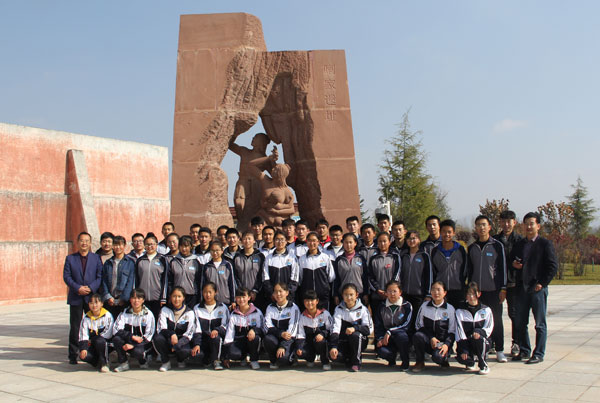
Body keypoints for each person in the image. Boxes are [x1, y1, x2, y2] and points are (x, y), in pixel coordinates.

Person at [511, 212, 558, 364]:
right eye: (526, 224)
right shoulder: (519, 244)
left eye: (532, 223)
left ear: (538, 226)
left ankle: (538, 353)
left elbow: (552, 266)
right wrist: (514, 264)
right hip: (522, 288)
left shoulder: (545, 244)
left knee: (540, 324)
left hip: (537, 289)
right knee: (520, 322)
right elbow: (512, 260)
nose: (529, 227)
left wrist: (542, 283)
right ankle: (524, 350)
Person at [467, 215, 507, 362]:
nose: (481, 227)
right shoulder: (472, 248)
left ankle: (500, 350)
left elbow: (503, 268)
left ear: (489, 227)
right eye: (478, 225)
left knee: (496, 320)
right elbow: (470, 270)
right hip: (477, 293)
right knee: (478, 321)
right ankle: (482, 348)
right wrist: (470, 290)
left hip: (493, 290)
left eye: (484, 224)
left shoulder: (497, 245)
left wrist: (503, 288)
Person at [63, 231, 103, 364]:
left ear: (90, 243)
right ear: (77, 242)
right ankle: (73, 354)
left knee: (93, 325)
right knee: (75, 326)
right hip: (76, 296)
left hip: (91, 298)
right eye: (82, 240)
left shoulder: (96, 258)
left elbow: (100, 276)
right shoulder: (70, 258)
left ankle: (92, 352)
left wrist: (90, 288)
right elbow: (67, 277)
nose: (84, 243)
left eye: (87, 241)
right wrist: (78, 288)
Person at [493, 210, 524, 358]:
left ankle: (516, 342)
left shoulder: (520, 241)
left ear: (514, 222)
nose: (506, 224)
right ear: (500, 222)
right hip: (497, 283)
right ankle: (493, 342)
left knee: (514, 314)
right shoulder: (494, 240)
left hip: (514, 283)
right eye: (503, 221)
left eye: (509, 221)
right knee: (494, 314)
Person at [412, 281, 456, 372]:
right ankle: (420, 362)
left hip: (442, 343)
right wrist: (431, 337)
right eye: (433, 290)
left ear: (445, 292)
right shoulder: (424, 306)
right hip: (429, 340)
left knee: (438, 358)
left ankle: (444, 359)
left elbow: (453, 330)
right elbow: (418, 325)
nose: (436, 293)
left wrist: (447, 344)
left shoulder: (450, 309)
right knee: (417, 336)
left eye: (439, 290)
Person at [329, 283, 373, 372]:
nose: (349, 298)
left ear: (357, 295)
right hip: (344, 341)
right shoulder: (338, 309)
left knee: (355, 335)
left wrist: (355, 328)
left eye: (351, 294)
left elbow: (368, 329)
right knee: (334, 356)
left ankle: (356, 362)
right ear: (342, 296)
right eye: (346, 295)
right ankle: (348, 359)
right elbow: (335, 329)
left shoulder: (363, 309)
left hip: (359, 340)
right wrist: (334, 346)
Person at [112, 288, 156, 372]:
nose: (136, 301)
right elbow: (116, 330)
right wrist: (131, 337)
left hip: (142, 344)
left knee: (138, 352)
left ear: (143, 300)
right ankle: (123, 363)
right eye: (134, 298)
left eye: (139, 298)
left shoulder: (148, 314)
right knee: (116, 339)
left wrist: (133, 345)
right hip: (129, 340)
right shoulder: (124, 313)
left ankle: (143, 361)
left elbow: (149, 336)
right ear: (130, 299)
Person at [153, 287, 196, 372]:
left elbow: (189, 334)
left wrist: (178, 344)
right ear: (170, 297)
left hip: (182, 341)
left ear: (183, 298)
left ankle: (181, 360)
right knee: (158, 338)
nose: (176, 299)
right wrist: (172, 334)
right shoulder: (165, 310)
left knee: (185, 351)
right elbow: (161, 329)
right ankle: (166, 362)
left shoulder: (190, 313)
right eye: (174, 296)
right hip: (168, 339)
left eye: (179, 296)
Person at [455, 282, 494, 375]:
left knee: (478, 338)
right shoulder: (460, 311)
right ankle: (471, 361)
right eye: (469, 294)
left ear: (479, 294)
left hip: (481, 340)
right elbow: (459, 331)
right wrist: (464, 349)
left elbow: (489, 328)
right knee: (462, 357)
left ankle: (483, 364)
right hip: (467, 341)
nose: (471, 297)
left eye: (473, 294)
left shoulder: (486, 310)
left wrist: (478, 332)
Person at [223, 287, 265, 370]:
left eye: (243, 297)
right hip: (239, 342)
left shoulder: (257, 312)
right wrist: (226, 356)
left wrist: (254, 330)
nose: (241, 299)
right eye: (239, 297)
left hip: (252, 341)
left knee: (256, 338)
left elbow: (262, 329)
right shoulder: (233, 314)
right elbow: (230, 333)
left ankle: (254, 360)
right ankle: (242, 357)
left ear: (249, 298)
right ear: (236, 299)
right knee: (233, 354)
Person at [374, 281, 412, 370]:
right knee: (382, 351)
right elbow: (378, 325)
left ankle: (405, 361)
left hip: (401, 335)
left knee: (402, 336)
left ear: (400, 292)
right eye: (389, 291)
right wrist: (380, 338)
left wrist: (390, 331)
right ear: (386, 293)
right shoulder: (382, 306)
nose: (392, 294)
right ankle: (391, 358)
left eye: (395, 291)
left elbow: (406, 325)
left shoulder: (406, 306)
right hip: (387, 338)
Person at [191, 282, 230, 370]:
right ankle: (207, 359)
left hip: (216, 339)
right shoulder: (197, 308)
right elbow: (196, 328)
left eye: (210, 292)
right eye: (205, 292)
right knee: (197, 356)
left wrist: (217, 330)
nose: (208, 295)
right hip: (203, 340)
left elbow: (226, 325)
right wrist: (197, 344)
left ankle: (217, 360)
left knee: (216, 338)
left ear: (215, 292)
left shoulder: (223, 307)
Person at [399, 231, 432, 333]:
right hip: (405, 293)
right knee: (406, 318)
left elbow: (429, 275)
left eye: (414, 238)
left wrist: (428, 294)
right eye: (409, 238)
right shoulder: (404, 255)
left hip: (419, 294)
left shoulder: (424, 255)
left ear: (419, 240)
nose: (411, 241)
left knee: (416, 319)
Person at [430, 220, 468, 309]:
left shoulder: (460, 250)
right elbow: (433, 271)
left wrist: (462, 283)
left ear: (453, 233)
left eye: (449, 232)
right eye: (444, 231)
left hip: (458, 290)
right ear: (440, 232)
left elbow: (465, 269)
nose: (446, 234)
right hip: (441, 292)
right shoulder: (435, 251)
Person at [264, 282, 301, 369]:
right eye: (275, 292)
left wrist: (283, 346)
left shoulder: (293, 308)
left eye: (280, 291)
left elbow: (292, 330)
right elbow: (267, 326)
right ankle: (273, 361)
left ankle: (292, 357)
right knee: (268, 339)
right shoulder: (270, 307)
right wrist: (280, 333)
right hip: (275, 337)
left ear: (287, 293)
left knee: (284, 360)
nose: (278, 294)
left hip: (288, 339)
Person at [294, 290, 334, 370]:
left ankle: (325, 361)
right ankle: (310, 359)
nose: (309, 303)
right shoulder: (302, 317)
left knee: (321, 342)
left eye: (312, 300)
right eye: (307, 301)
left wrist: (322, 334)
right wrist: (299, 347)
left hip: (322, 342)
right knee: (301, 351)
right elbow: (300, 334)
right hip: (309, 343)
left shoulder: (325, 314)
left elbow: (331, 328)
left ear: (317, 301)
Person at [135, 233, 168, 322]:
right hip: (143, 298)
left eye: (152, 244)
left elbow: (165, 279)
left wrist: (163, 297)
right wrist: (137, 296)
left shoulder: (162, 259)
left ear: (156, 245)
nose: (149, 247)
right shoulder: (140, 260)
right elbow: (136, 280)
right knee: (144, 320)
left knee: (157, 319)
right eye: (147, 244)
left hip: (157, 298)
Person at [298, 232, 335, 310]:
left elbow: (331, 277)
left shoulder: (325, 257)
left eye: (314, 240)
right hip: (308, 297)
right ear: (306, 242)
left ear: (318, 242)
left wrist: (325, 288)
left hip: (322, 296)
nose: (312, 243)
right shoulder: (302, 259)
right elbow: (300, 278)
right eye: (309, 240)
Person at [78, 293, 114, 372]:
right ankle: (97, 362)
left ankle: (105, 363)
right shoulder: (86, 318)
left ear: (101, 304)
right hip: (93, 344)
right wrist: (83, 348)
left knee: (99, 341)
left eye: (96, 302)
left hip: (106, 343)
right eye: (91, 303)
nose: (94, 305)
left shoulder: (107, 316)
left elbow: (108, 333)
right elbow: (83, 335)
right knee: (83, 355)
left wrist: (93, 340)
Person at [367, 232, 401, 316]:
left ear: (389, 242)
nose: (382, 244)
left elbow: (397, 273)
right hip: (377, 295)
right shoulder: (373, 259)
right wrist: (378, 289)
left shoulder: (395, 256)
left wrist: (389, 290)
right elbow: (370, 277)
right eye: (380, 241)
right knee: (377, 318)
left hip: (392, 295)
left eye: (384, 241)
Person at [101, 235, 135, 318]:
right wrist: (108, 297)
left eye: (120, 245)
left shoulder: (130, 263)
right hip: (110, 301)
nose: (118, 247)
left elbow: (130, 282)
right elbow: (104, 281)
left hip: (124, 301)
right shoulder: (108, 263)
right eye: (115, 245)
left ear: (124, 245)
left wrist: (123, 298)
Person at [232, 231, 267, 311]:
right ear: (241, 241)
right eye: (245, 239)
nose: (247, 241)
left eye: (249, 239)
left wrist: (255, 290)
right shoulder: (237, 257)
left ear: (254, 241)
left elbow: (261, 275)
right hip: (242, 295)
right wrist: (241, 290)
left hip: (257, 294)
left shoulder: (260, 256)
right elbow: (235, 275)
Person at [263, 230, 300, 301]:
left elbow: (295, 279)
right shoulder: (268, 258)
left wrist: (287, 293)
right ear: (274, 241)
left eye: (282, 239)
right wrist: (272, 293)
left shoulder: (292, 257)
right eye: (277, 239)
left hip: (288, 297)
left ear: (286, 241)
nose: (280, 242)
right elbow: (265, 278)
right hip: (272, 297)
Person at [333, 233, 368, 307]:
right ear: (343, 243)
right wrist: (336, 294)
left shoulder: (361, 258)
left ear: (355, 243)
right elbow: (336, 279)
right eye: (346, 242)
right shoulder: (339, 260)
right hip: (344, 295)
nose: (348, 245)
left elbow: (365, 277)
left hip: (359, 294)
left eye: (350, 242)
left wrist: (366, 293)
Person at [168, 235, 201, 308]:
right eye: (181, 246)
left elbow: (199, 280)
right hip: (177, 296)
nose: (183, 249)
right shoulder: (173, 261)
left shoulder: (196, 261)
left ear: (191, 247)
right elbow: (170, 281)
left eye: (186, 246)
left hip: (192, 296)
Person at [202, 241, 236, 307]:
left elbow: (232, 284)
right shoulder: (206, 267)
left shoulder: (227, 265)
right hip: (211, 301)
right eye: (212, 251)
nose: (215, 253)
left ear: (222, 251)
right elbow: (203, 285)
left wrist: (233, 301)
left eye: (217, 250)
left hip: (225, 300)